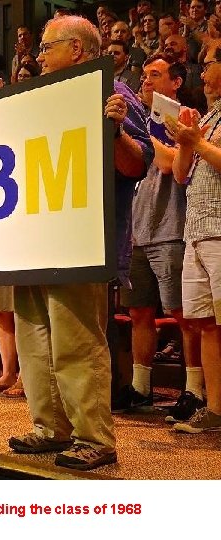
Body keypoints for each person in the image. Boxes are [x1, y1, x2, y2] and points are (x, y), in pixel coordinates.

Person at [0, 15, 152, 471]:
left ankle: (93, 436)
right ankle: (50, 426)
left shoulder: (112, 91)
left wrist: (113, 129)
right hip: (33, 237)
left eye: (45, 48)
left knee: (77, 337)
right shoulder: (40, 99)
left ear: (76, 50)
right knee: (35, 335)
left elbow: (137, 165)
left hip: (81, 238)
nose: (38, 56)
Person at [115, 53, 204, 423]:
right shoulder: (141, 118)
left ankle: (194, 389)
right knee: (139, 312)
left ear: (176, 81)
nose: (146, 80)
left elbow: (169, 164)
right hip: (138, 231)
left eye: (156, 74)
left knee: (184, 315)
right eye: (144, 74)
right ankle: (140, 386)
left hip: (171, 230)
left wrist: (142, 137)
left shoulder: (183, 119)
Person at [165, 44, 221, 433]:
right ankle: (215, 412)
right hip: (196, 232)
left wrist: (196, 141)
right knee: (205, 324)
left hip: (220, 231)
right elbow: (181, 174)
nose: (203, 72)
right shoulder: (210, 116)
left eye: (209, 63)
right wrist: (186, 141)